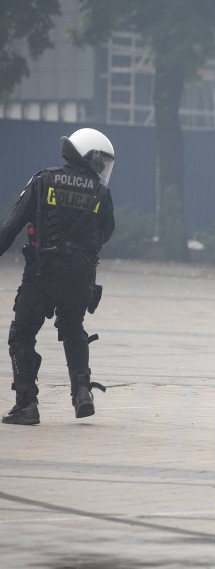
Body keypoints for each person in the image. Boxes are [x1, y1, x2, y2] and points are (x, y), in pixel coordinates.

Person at [0, 128, 116, 425]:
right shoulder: (101, 191)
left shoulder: (43, 181)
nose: (102, 166)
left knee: (22, 335)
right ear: (89, 155)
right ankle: (82, 393)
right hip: (80, 276)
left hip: (42, 271)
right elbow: (106, 232)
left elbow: (12, 226)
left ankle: (26, 405)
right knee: (73, 327)